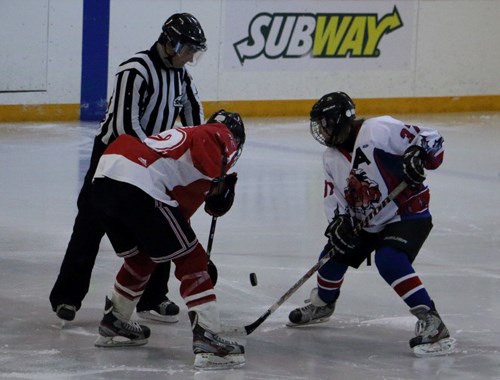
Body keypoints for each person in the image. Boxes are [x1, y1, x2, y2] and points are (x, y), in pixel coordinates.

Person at [50, 13, 208, 323]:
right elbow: (125, 127)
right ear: (171, 43)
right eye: (188, 49)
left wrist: (200, 159)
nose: (191, 57)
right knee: (90, 223)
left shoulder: (182, 76)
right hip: (112, 158)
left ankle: (153, 297)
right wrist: (154, 159)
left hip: (153, 159)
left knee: (161, 222)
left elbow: (195, 122)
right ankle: (67, 296)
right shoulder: (135, 70)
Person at [288, 92, 456, 357]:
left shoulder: (378, 130)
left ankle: (432, 321)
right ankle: (324, 304)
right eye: (319, 125)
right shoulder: (330, 158)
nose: (322, 130)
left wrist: (416, 153)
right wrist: (338, 222)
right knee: (330, 258)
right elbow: (334, 195)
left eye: (326, 123)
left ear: (342, 121)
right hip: (366, 221)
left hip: (406, 211)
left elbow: (431, 137)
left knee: (388, 259)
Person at [91, 110, 246, 370]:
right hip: (138, 180)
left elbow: (171, 223)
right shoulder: (220, 134)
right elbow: (213, 142)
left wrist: (212, 186)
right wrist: (218, 180)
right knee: (192, 257)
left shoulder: (183, 142)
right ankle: (207, 336)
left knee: (142, 257)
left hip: (106, 176)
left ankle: (114, 321)